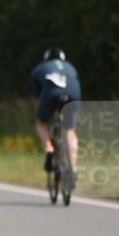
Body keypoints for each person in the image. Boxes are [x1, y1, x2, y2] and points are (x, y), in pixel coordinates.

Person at [31, 46, 80, 180]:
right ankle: (73, 170)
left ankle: (49, 148)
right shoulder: (70, 67)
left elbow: (38, 94)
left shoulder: (40, 68)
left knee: (41, 123)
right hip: (73, 93)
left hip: (50, 94)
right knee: (69, 130)